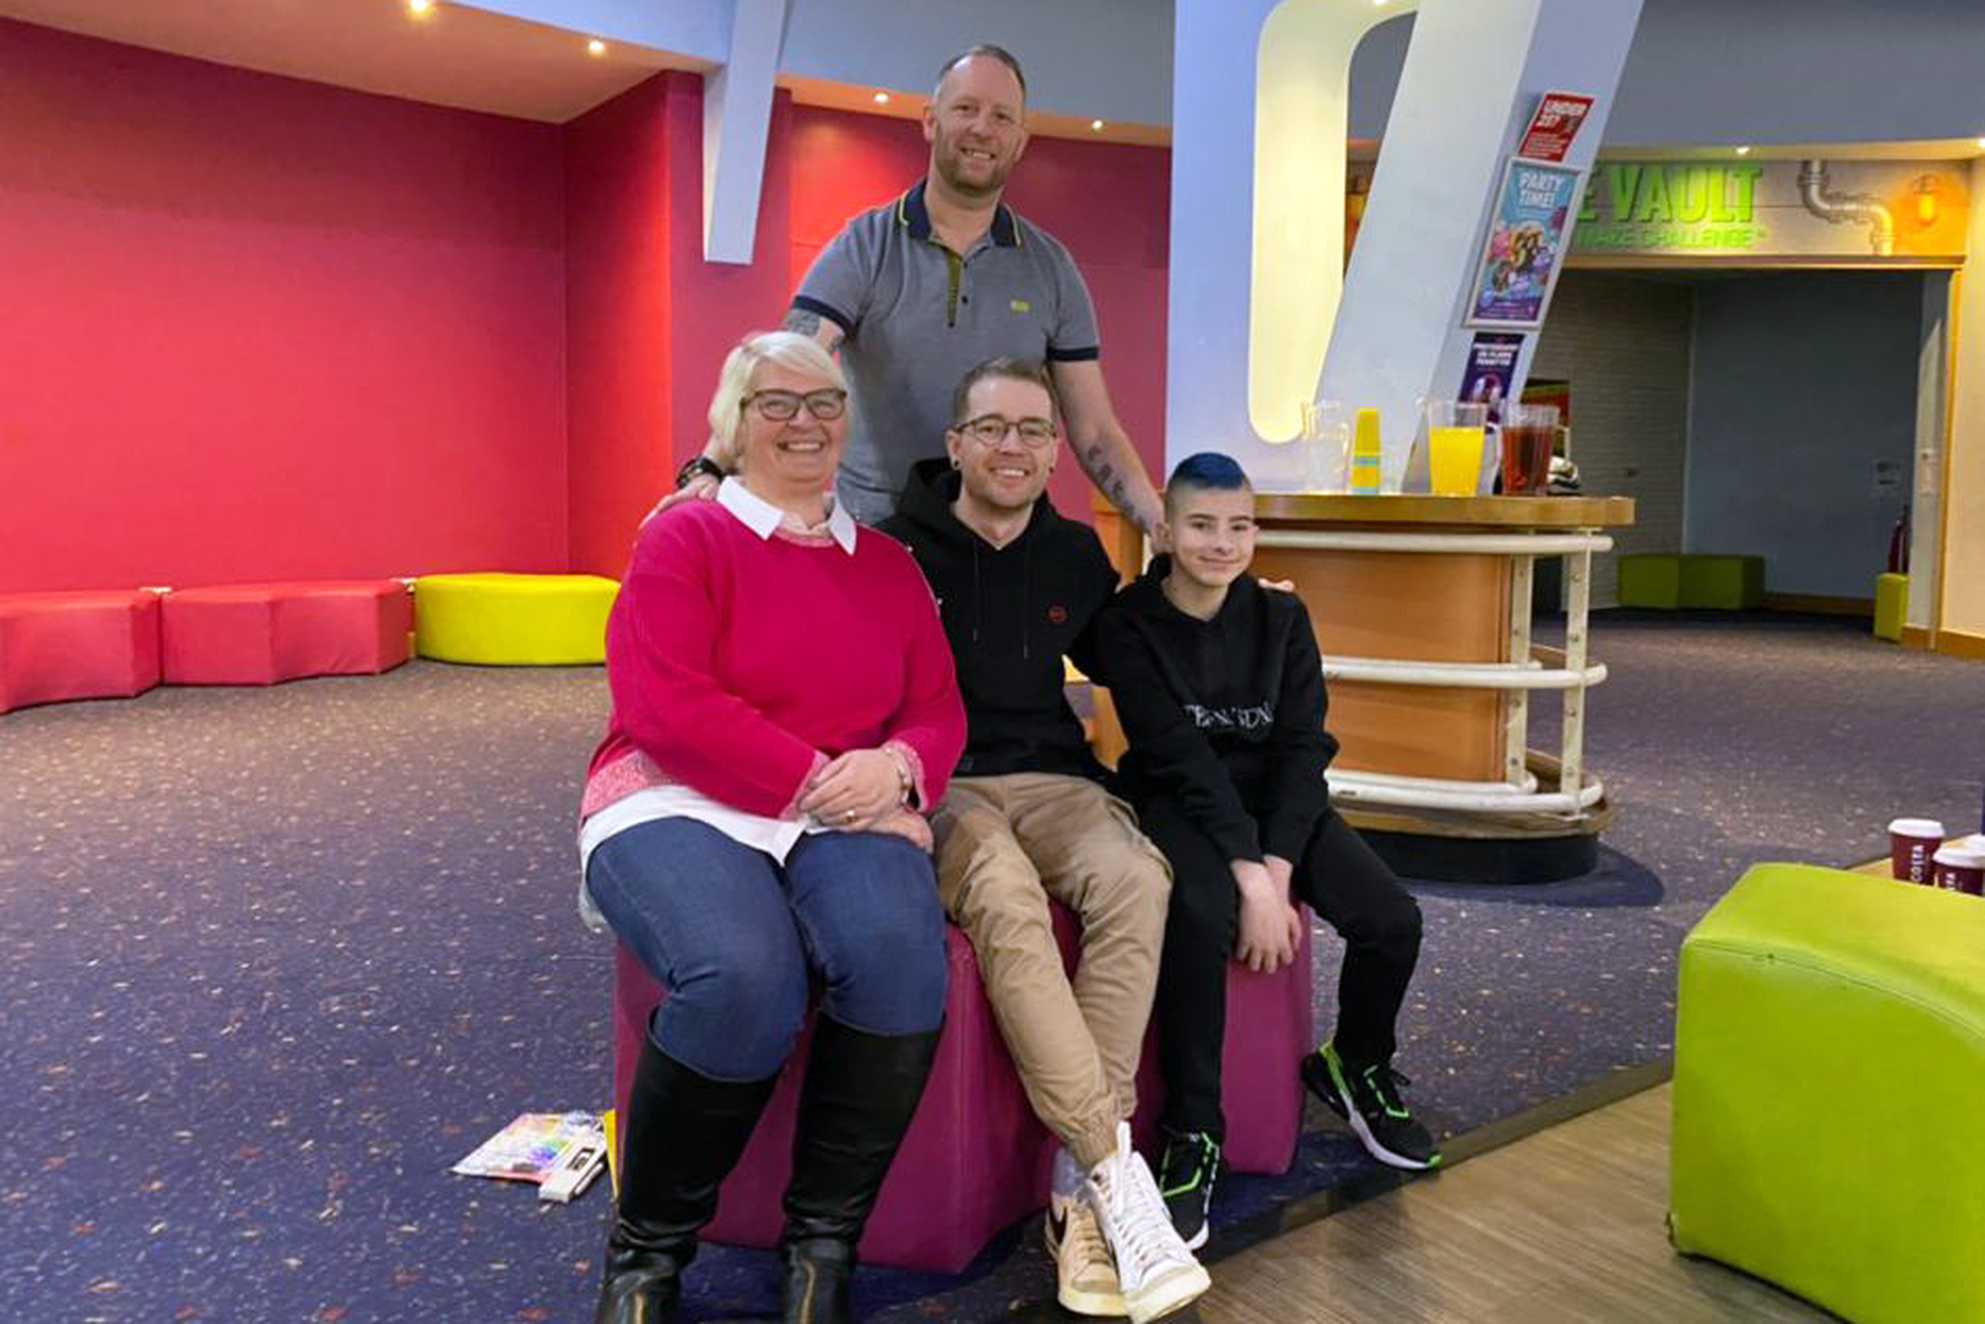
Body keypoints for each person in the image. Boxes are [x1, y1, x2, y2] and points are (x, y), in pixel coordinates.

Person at [577, 331, 967, 1324]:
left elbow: (935, 705)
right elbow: (666, 706)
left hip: (844, 800)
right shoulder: (683, 537)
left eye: (823, 402)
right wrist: (813, 779)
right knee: (743, 976)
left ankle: (821, 1249)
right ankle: (646, 1253)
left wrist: (896, 767)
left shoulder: (885, 565)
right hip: (679, 793)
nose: (804, 421)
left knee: (898, 960)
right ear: (734, 423)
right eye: (776, 403)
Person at [878, 358, 1208, 1322]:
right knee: (1006, 895)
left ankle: (1075, 1180)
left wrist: (1221, 597)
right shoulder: (894, 550)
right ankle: (1116, 1176)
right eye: (992, 428)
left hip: (1054, 777)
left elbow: (1131, 655)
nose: (1012, 447)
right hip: (945, 781)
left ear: (1056, 450)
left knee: (1135, 878)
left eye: (1032, 430)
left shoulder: (1070, 553)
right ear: (955, 445)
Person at [1093, 452, 1440, 1251]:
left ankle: (1354, 1062)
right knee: (1199, 915)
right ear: (1167, 531)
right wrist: (1248, 876)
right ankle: (1192, 1129)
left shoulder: (1282, 618)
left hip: (1278, 805)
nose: (1222, 544)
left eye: (1239, 526)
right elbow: (1177, 755)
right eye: (1203, 526)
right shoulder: (1128, 624)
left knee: (1392, 919)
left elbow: (1301, 746)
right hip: (1180, 799)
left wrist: (1277, 867)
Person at [663, 44, 1163, 537]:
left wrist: (1159, 525)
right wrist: (709, 466)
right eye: (965, 108)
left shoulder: (1052, 268)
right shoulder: (864, 247)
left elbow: (1094, 429)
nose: (982, 128)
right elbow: (787, 369)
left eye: (1001, 116)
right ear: (930, 121)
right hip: (879, 531)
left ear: (1020, 140)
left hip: (999, 538)